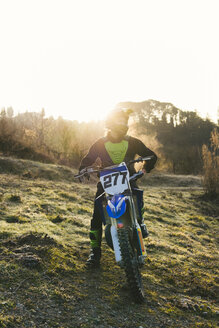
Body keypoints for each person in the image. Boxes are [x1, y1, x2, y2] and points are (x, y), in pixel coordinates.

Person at [78, 108, 157, 267]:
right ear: (111, 123)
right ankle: (95, 253)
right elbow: (87, 160)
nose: (123, 124)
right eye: (119, 121)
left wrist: (144, 169)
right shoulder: (100, 143)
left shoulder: (133, 142)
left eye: (124, 121)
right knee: (97, 218)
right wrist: (83, 169)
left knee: (137, 201)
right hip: (106, 185)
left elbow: (151, 155)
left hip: (129, 181)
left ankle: (140, 225)